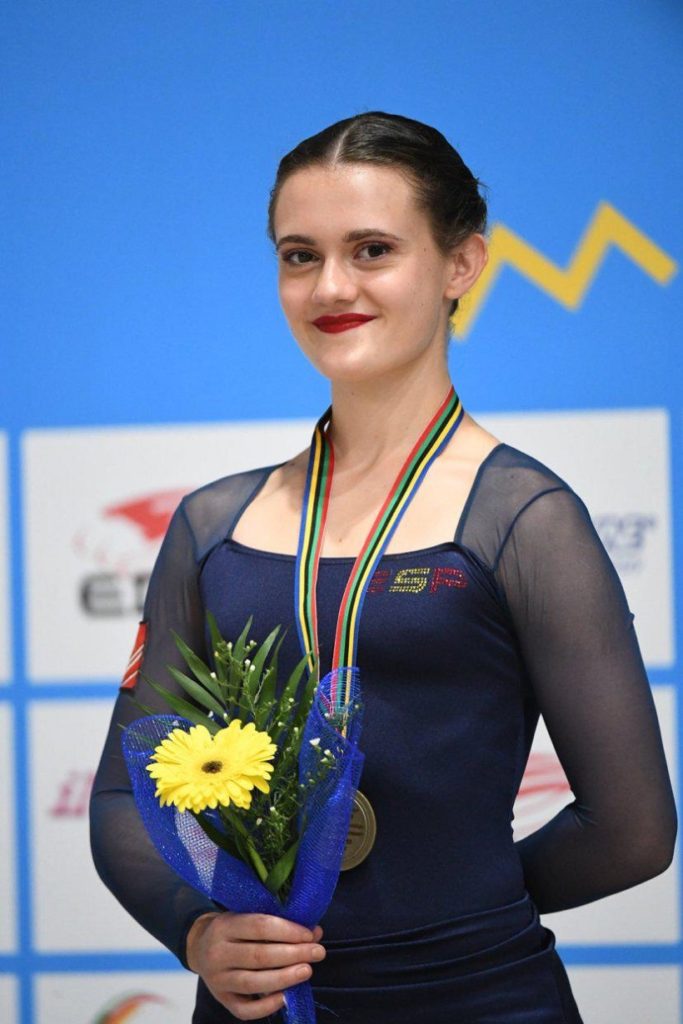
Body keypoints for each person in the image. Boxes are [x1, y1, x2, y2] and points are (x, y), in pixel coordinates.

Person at [90, 112, 677, 1024]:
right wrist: (199, 933)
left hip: (478, 999)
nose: (331, 286)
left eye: (371, 249)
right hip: (263, 1005)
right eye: (299, 255)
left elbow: (632, 833)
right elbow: (127, 793)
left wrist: (450, 911)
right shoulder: (213, 523)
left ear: (461, 264)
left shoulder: (525, 518)